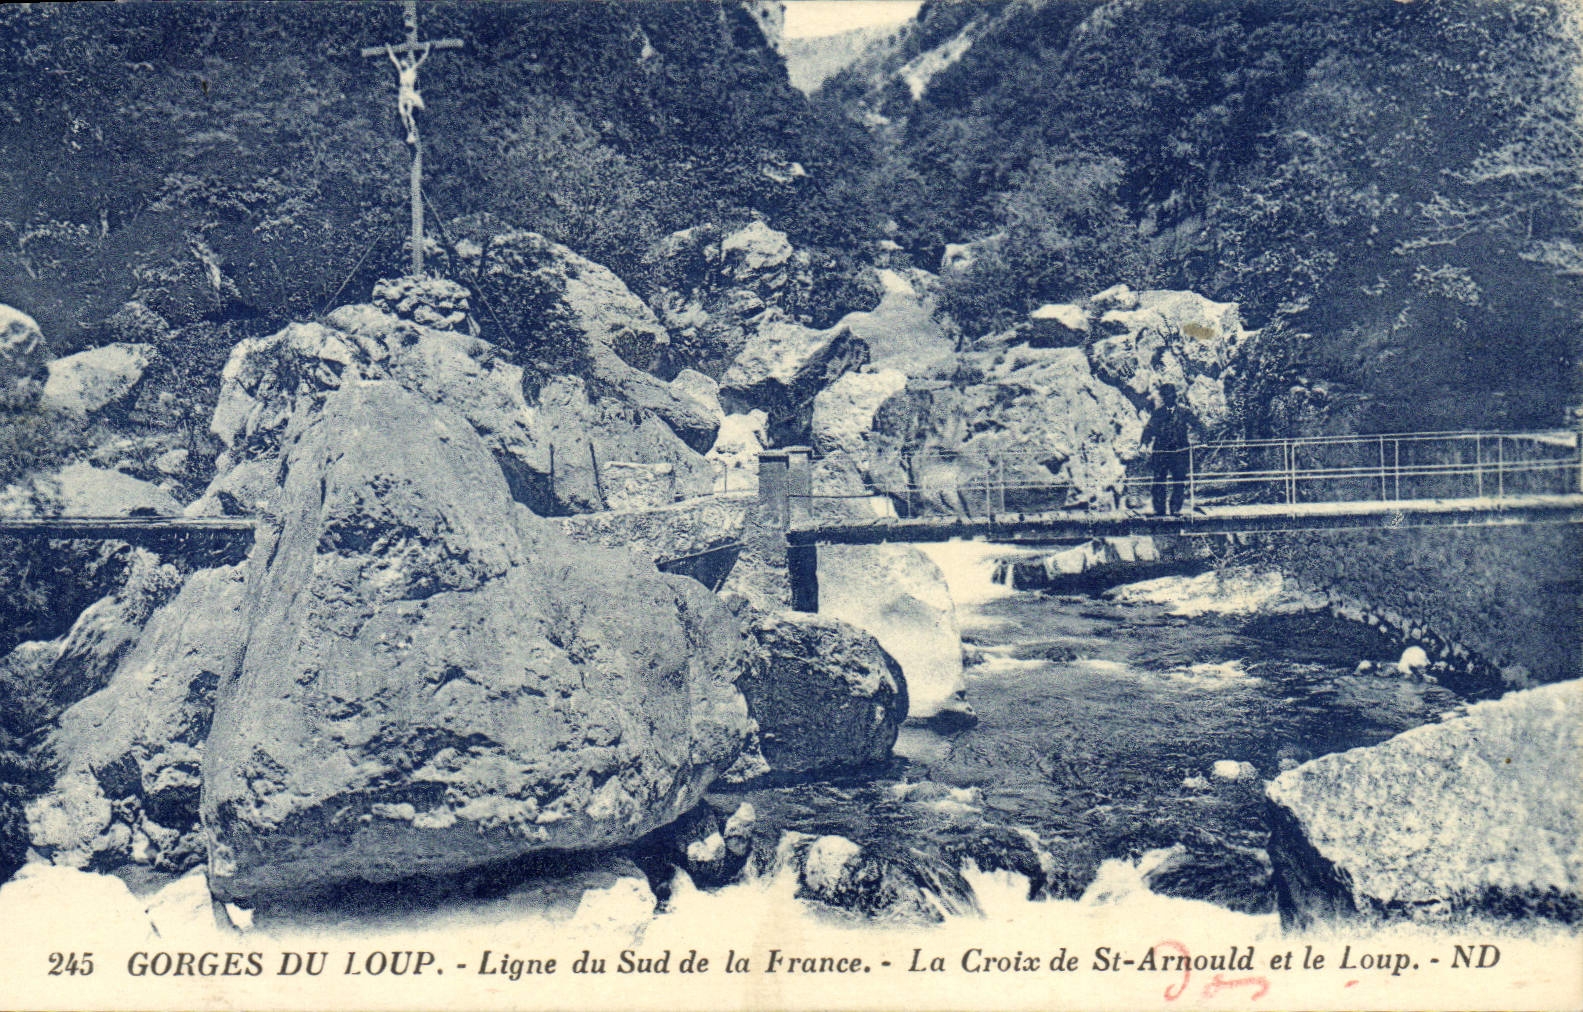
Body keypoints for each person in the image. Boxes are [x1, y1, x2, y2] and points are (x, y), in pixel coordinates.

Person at [1140, 383, 1193, 516]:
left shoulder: (1184, 412)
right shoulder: (1158, 414)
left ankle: (1175, 509)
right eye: (1166, 396)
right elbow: (1149, 429)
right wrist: (1144, 444)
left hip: (1179, 452)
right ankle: (1160, 510)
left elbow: (1198, 424)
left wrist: (1204, 440)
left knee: (1179, 481)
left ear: (1175, 396)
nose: (1169, 398)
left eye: (1171, 396)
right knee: (1159, 481)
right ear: (1163, 398)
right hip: (1162, 452)